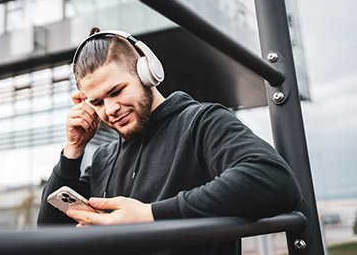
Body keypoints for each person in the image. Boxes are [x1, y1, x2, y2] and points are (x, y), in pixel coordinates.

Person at [37, 27, 302, 254]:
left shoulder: (201, 122)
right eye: (96, 102)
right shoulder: (104, 157)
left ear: (147, 71)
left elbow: (274, 180)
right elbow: (50, 231)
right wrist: (74, 149)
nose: (110, 109)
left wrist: (149, 215)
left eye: (116, 91)